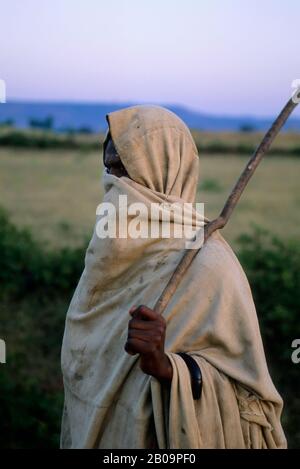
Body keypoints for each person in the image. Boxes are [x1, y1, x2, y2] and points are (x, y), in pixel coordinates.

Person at [60, 105, 287, 449]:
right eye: (109, 171)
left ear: (165, 173)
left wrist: (167, 367)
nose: (114, 185)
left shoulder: (209, 264)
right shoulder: (105, 258)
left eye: (126, 172)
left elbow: (251, 403)